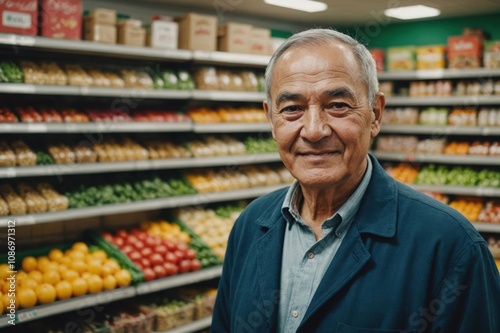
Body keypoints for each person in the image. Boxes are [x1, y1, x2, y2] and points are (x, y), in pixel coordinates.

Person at [210, 28, 500, 333]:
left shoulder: (451, 247)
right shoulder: (250, 225)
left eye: (337, 105)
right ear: (271, 119)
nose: (313, 130)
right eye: (292, 109)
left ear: (375, 114)